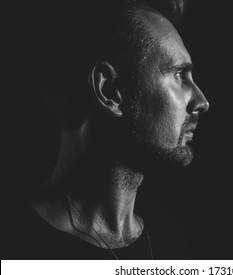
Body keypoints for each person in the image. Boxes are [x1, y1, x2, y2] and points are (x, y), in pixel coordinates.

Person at [4, 0, 209, 260]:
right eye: (179, 75)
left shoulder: (169, 238)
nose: (202, 101)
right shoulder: (15, 244)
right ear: (109, 91)